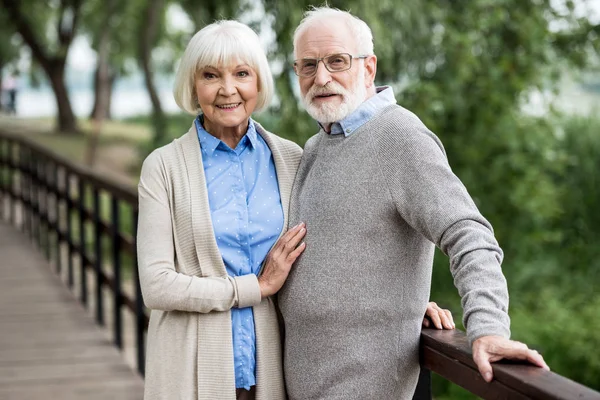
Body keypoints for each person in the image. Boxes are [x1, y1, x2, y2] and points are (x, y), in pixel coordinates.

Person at [136, 19, 455, 400]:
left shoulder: (293, 159)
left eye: (242, 73)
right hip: (192, 365)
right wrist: (255, 287)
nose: (227, 89)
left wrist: (400, 301)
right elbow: (156, 286)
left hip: (273, 369)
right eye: (210, 75)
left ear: (259, 84)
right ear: (193, 85)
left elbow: (338, 244)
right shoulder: (164, 167)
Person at [277, 7, 550, 400]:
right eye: (308, 65)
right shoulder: (318, 147)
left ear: (368, 68)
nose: (321, 78)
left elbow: (468, 234)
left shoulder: (400, 138)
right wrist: (405, 304)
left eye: (337, 61)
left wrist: (488, 329)